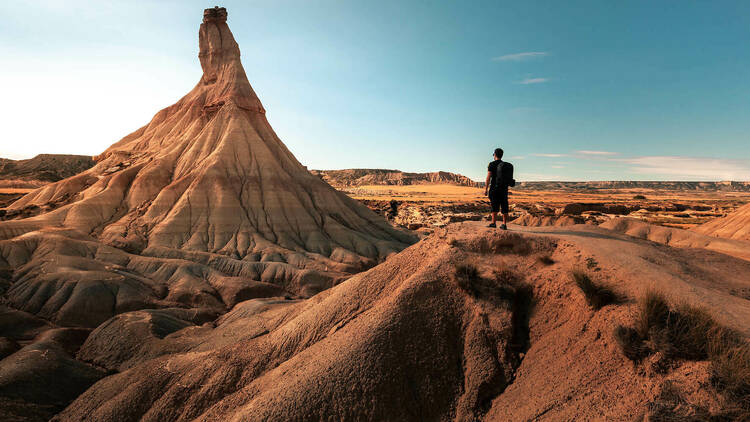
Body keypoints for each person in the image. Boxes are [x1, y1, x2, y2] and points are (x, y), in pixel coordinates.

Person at [484, 148, 514, 229]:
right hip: (504, 189)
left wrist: (486, 189)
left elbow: (488, 178)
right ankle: (504, 224)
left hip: (494, 188)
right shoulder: (505, 165)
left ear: (495, 155)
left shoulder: (492, 164)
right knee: (504, 205)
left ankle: (493, 223)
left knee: (494, 205)